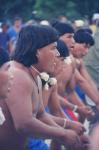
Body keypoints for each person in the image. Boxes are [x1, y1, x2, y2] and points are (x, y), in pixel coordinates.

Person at [0, 25, 82, 150]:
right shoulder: (18, 75)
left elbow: (41, 115)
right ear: (37, 51)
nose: (57, 53)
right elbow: (24, 124)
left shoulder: (33, 74)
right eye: (53, 48)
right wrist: (63, 134)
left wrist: (67, 130)